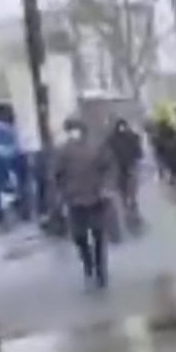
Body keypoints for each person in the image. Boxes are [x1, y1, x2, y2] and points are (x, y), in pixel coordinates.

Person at [54, 118, 113, 287]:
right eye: (71, 130)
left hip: (95, 197)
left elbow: (107, 167)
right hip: (75, 199)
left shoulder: (96, 147)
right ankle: (88, 262)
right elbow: (57, 174)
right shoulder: (63, 151)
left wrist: (105, 186)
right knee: (79, 237)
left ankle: (100, 270)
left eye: (76, 130)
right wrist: (61, 194)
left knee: (98, 235)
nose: (74, 134)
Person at [107, 119, 144, 217]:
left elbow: (137, 148)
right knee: (124, 185)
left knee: (130, 184)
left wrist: (138, 154)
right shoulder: (113, 138)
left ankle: (131, 200)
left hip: (128, 164)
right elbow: (109, 151)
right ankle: (128, 201)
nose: (122, 128)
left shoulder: (129, 136)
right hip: (120, 165)